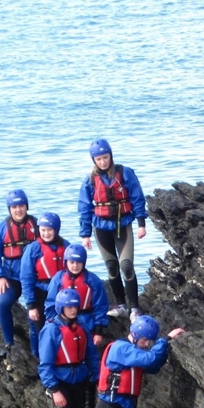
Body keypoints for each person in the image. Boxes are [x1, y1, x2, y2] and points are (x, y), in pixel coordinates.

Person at [77, 138, 148, 322]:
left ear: (111, 156)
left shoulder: (125, 173)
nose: (102, 162)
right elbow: (84, 207)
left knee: (126, 266)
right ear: (94, 160)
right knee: (111, 267)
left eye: (105, 157)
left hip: (122, 224)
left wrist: (141, 223)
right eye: (98, 159)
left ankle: (134, 308)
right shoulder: (90, 180)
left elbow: (137, 196)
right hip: (100, 228)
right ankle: (120, 305)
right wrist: (85, 234)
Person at [45, 243, 109, 408]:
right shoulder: (58, 279)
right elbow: (50, 304)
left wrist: (98, 331)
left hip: (86, 323)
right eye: (72, 262)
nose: (75, 265)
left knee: (89, 362)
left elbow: (100, 307)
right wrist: (54, 323)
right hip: (62, 324)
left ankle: (89, 405)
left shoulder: (93, 281)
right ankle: (63, 395)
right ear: (66, 262)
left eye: (78, 262)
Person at [0, 189, 37, 353]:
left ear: (26, 206)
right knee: (3, 302)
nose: (18, 210)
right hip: (12, 277)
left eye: (21, 205)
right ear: (9, 209)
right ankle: (9, 342)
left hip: (34, 277)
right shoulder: (1, 229)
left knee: (35, 311)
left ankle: (37, 349)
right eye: (14, 207)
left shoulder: (37, 225)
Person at [20, 212, 69, 357]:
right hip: (39, 293)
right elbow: (26, 278)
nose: (46, 233)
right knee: (38, 330)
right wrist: (31, 306)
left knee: (61, 328)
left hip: (61, 294)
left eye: (49, 230)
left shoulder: (66, 246)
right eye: (43, 230)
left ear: (56, 229)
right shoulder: (32, 249)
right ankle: (38, 359)